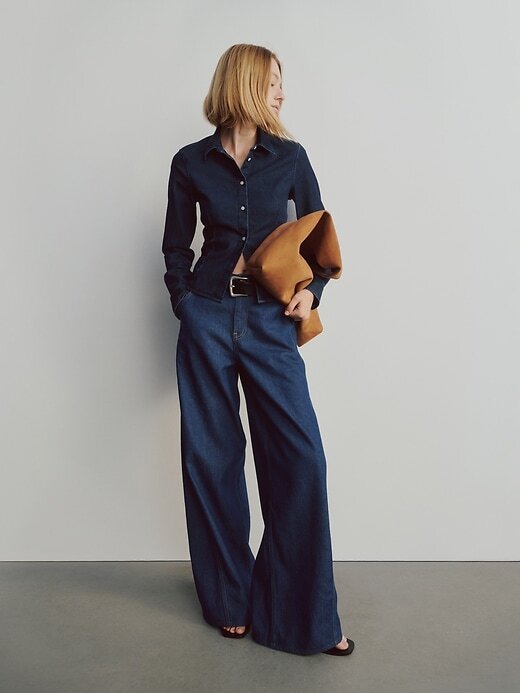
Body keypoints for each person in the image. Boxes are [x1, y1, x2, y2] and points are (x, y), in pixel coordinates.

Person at [161, 43, 354, 657]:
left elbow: (320, 238)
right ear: (244, 84)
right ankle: (229, 600)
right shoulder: (190, 162)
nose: (281, 93)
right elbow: (175, 246)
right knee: (211, 459)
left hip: (271, 321)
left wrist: (312, 292)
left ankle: (308, 618)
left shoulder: (290, 157)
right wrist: (185, 303)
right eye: (273, 82)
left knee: (301, 459)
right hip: (208, 316)